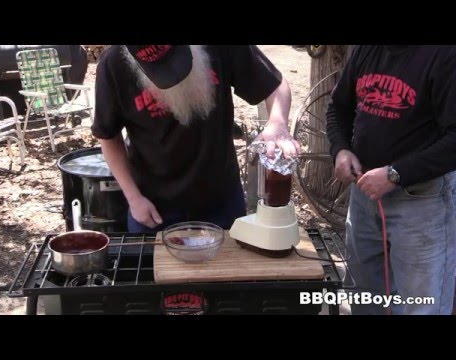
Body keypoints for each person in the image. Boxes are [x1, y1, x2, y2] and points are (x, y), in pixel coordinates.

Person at [92, 45, 300, 233]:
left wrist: (278, 124)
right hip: (152, 207)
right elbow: (108, 136)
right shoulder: (113, 63)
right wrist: (133, 197)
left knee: (229, 272)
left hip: (221, 199)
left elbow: (276, 86)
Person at [326, 45, 456, 315]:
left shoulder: (445, 55)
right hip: (364, 195)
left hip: (421, 202)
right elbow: (338, 107)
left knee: (420, 307)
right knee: (365, 300)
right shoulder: (367, 49)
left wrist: (396, 174)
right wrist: (340, 149)